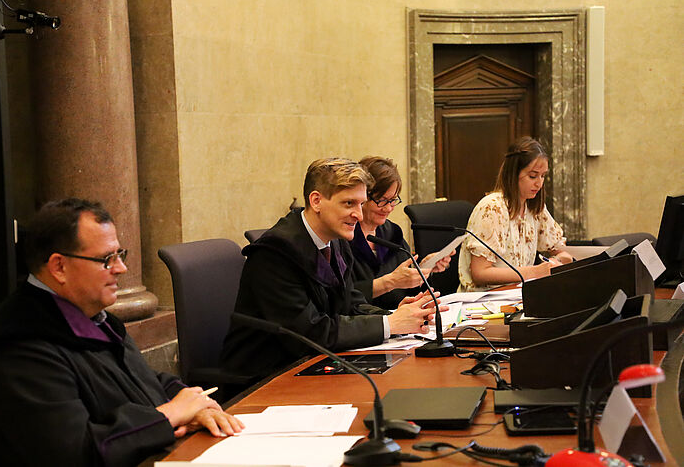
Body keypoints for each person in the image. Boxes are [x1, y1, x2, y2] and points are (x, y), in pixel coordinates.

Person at [0, 199, 243, 467]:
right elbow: (73, 454)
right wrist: (169, 415)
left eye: (119, 255)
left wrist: (196, 403)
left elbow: (144, 380)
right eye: (106, 259)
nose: (121, 269)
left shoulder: (97, 319)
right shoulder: (17, 346)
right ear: (59, 267)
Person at [221, 158, 438, 381]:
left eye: (361, 204)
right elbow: (310, 332)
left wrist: (398, 316)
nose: (359, 215)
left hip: (311, 365)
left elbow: (349, 304)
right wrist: (389, 324)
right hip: (264, 378)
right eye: (348, 204)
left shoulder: (335, 239)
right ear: (316, 201)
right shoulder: (276, 253)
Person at [458, 137, 573, 292]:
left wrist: (554, 261)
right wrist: (533, 272)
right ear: (513, 174)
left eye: (543, 176)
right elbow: (480, 272)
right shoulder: (492, 208)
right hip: (484, 301)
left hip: (518, 294)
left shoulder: (534, 207)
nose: (539, 183)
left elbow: (564, 253)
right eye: (533, 176)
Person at [349, 156, 451, 311]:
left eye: (393, 200)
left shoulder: (391, 232)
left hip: (400, 319)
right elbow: (341, 296)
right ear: (363, 197)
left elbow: (405, 286)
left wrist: (422, 269)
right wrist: (389, 282)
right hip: (364, 323)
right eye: (382, 200)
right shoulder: (343, 237)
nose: (389, 208)